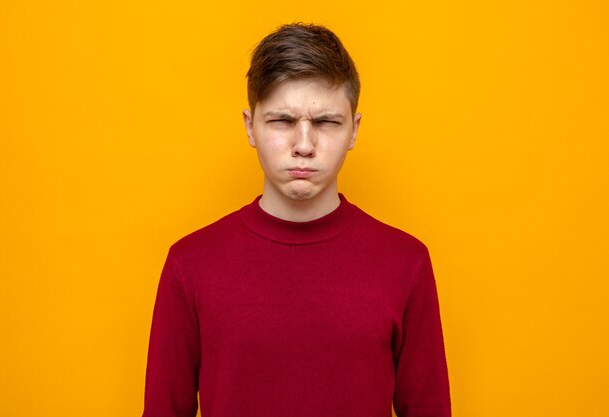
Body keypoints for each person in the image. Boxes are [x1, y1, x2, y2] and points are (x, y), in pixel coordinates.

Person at [142, 23, 451, 417]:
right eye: (281, 121)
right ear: (249, 126)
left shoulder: (406, 262)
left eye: (325, 122)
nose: (304, 146)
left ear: (354, 130)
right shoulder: (190, 264)